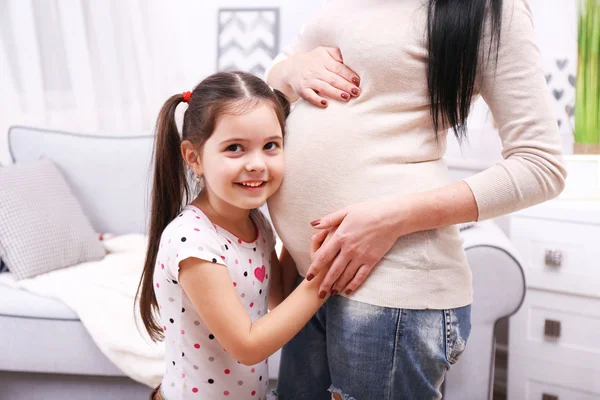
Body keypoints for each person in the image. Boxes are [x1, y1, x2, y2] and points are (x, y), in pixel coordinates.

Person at [266, 0, 567, 399]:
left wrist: (390, 218)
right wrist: (288, 71)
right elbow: (274, 78)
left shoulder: (495, 10)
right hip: (312, 278)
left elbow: (541, 165)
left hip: (393, 287)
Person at [135, 71, 331, 400]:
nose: (256, 164)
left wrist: (301, 230)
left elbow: (279, 296)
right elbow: (248, 346)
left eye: (271, 146)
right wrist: (324, 278)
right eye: (235, 148)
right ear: (194, 158)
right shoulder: (193, 242)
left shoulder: (255, 224)